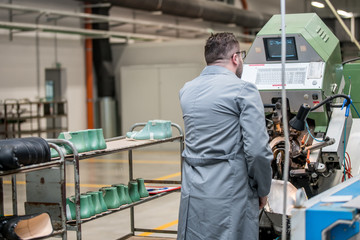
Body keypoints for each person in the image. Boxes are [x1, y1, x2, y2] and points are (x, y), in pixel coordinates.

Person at [177, 32, 273, 240]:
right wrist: (263, 189)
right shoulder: (243, 90)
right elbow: (257, 151)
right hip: (230, 192)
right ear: (235, 58)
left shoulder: (186, 90)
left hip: (193, 192)